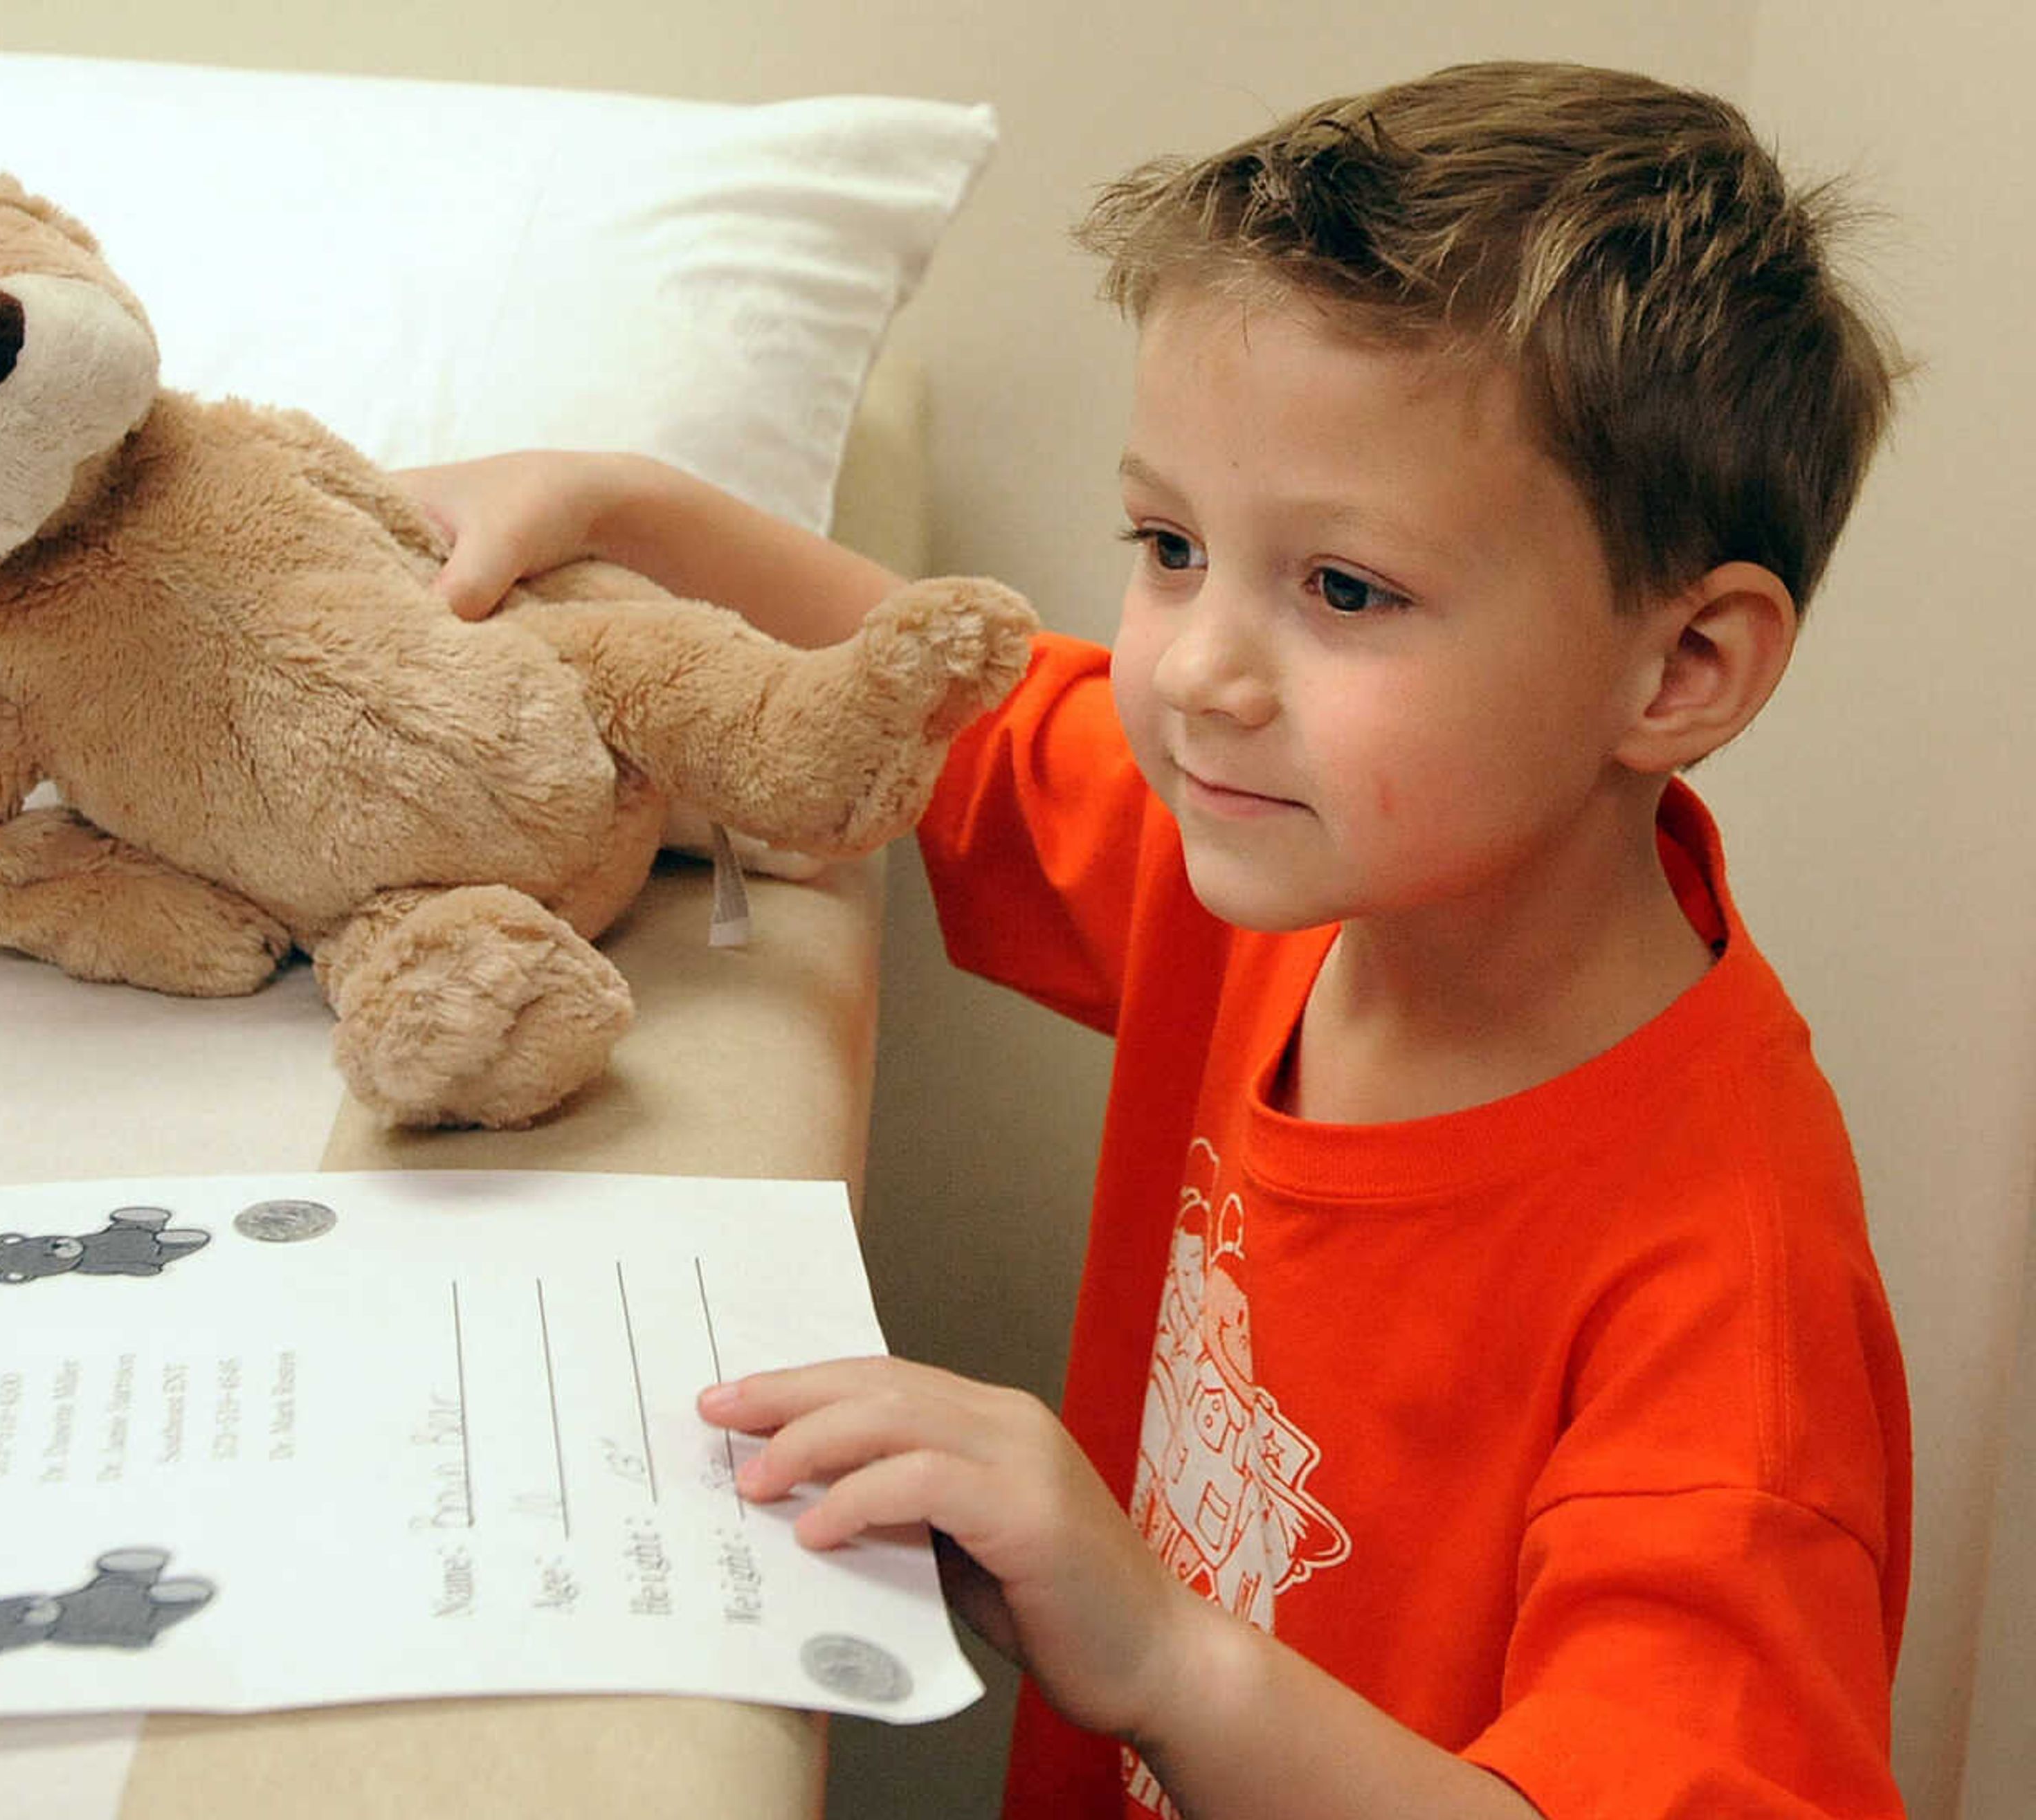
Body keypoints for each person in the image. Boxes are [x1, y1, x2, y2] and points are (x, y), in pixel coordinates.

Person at [403, 61, 1911, 1820]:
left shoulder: (1735, 1307)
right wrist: (613, 507)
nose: (1194, 671)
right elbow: (945, 701)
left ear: (1683, 670)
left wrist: (1166, 1656)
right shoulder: (1293, 865)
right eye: (1173, 546)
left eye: (1344, 589)